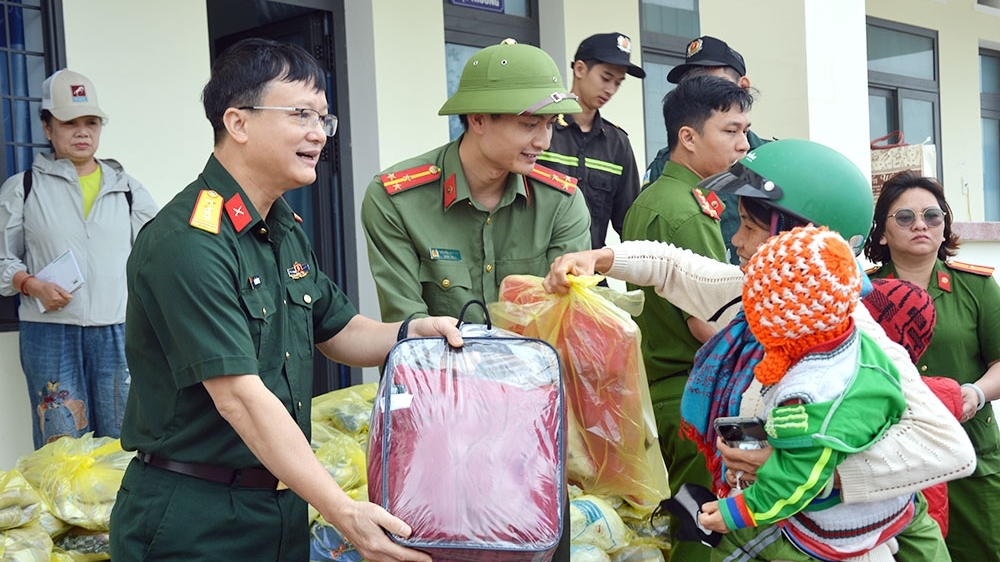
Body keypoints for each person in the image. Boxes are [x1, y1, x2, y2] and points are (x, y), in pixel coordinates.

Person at [108, 38, 464, 562]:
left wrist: (412, 332)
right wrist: (344, 511)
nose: (318, 133)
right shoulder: (187, 242)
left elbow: (337, 330)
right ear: (238, 123)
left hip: (278, 510)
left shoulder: (282, 227)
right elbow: (240, 399)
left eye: (324, 118)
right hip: (194, 519)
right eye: (300, 114)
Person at [543, 139, 976, 562]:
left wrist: (819, 475)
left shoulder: (852, 337)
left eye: (750, 227)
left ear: (796, 241)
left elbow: (948, 448)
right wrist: (599, 259)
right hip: (765, 525)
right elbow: (676, 268)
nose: (736, 240)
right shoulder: (766, 298)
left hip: (834, 543)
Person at [697, 225, 914, 561]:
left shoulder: (803, 397)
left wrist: (735, 513)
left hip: (832, 528)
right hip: (890, 506)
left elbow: (796, 478)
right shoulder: (852, 338)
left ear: (779, 319)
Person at [361, 38, 592, 324]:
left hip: (534, 368)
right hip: (438, 368)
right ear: (479, 120)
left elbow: (565, 319)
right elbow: (409, 328)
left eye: (550, 124)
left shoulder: (561, 203)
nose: (544, 142)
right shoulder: (397, 200)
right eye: (530, 125)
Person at [620, 73, 752, 561]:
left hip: (661, 386)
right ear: (688, 137)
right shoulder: (687, 211)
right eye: (731, 131)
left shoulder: (656, 197)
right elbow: (707, 322)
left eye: (745, 131)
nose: (743, 144)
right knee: (706, 531)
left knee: (683, 519)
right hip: (693, 394)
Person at [0, 69, 158, 449]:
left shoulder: (128, 190)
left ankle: (121, 510)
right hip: (49, 332)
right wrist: (31, 284)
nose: (82, 132)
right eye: (70, 123)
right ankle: (67, 510)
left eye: (91, 122)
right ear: (47, 126)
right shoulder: (24, 188)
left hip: (118, 330)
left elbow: (159, 256)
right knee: (61, 444)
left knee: (123, 439)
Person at [863, 171, 1000, 562]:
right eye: (904, 217)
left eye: (932, 216)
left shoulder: (976, 287)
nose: (920, 224)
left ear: (945, 228)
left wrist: (975, 392)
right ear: (883, 233)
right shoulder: (864, 294)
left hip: (971, 451)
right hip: (891, 458)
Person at [643, 36, 767, 266]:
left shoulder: (772, 160)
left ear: (743, 87)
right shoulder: (668, 162)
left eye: (714, 82)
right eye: (692, 83)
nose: (703, 92)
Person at [537, 32, 644, 249]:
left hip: (589, 275)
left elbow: (630, 226)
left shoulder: (617, 144)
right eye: (605, 78)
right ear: (579, 69)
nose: (610, 90)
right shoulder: (541, 130)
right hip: (538, 273)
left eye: (618, 83)